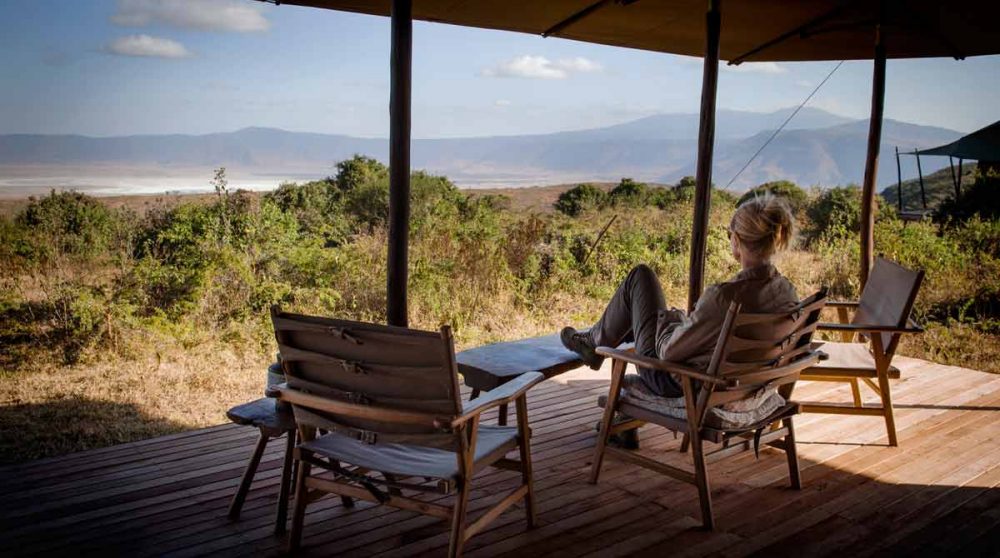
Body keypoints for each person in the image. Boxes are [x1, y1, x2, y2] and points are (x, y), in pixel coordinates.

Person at [560, 194, 799, 447]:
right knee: (645, 316)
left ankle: (593, 343)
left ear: (737, 241)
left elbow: (667, 352)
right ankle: (622, 417)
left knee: (641, 277)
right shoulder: (787, 292)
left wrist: (672, 321)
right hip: (748, 385)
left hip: (681, 383)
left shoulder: (723, 297)